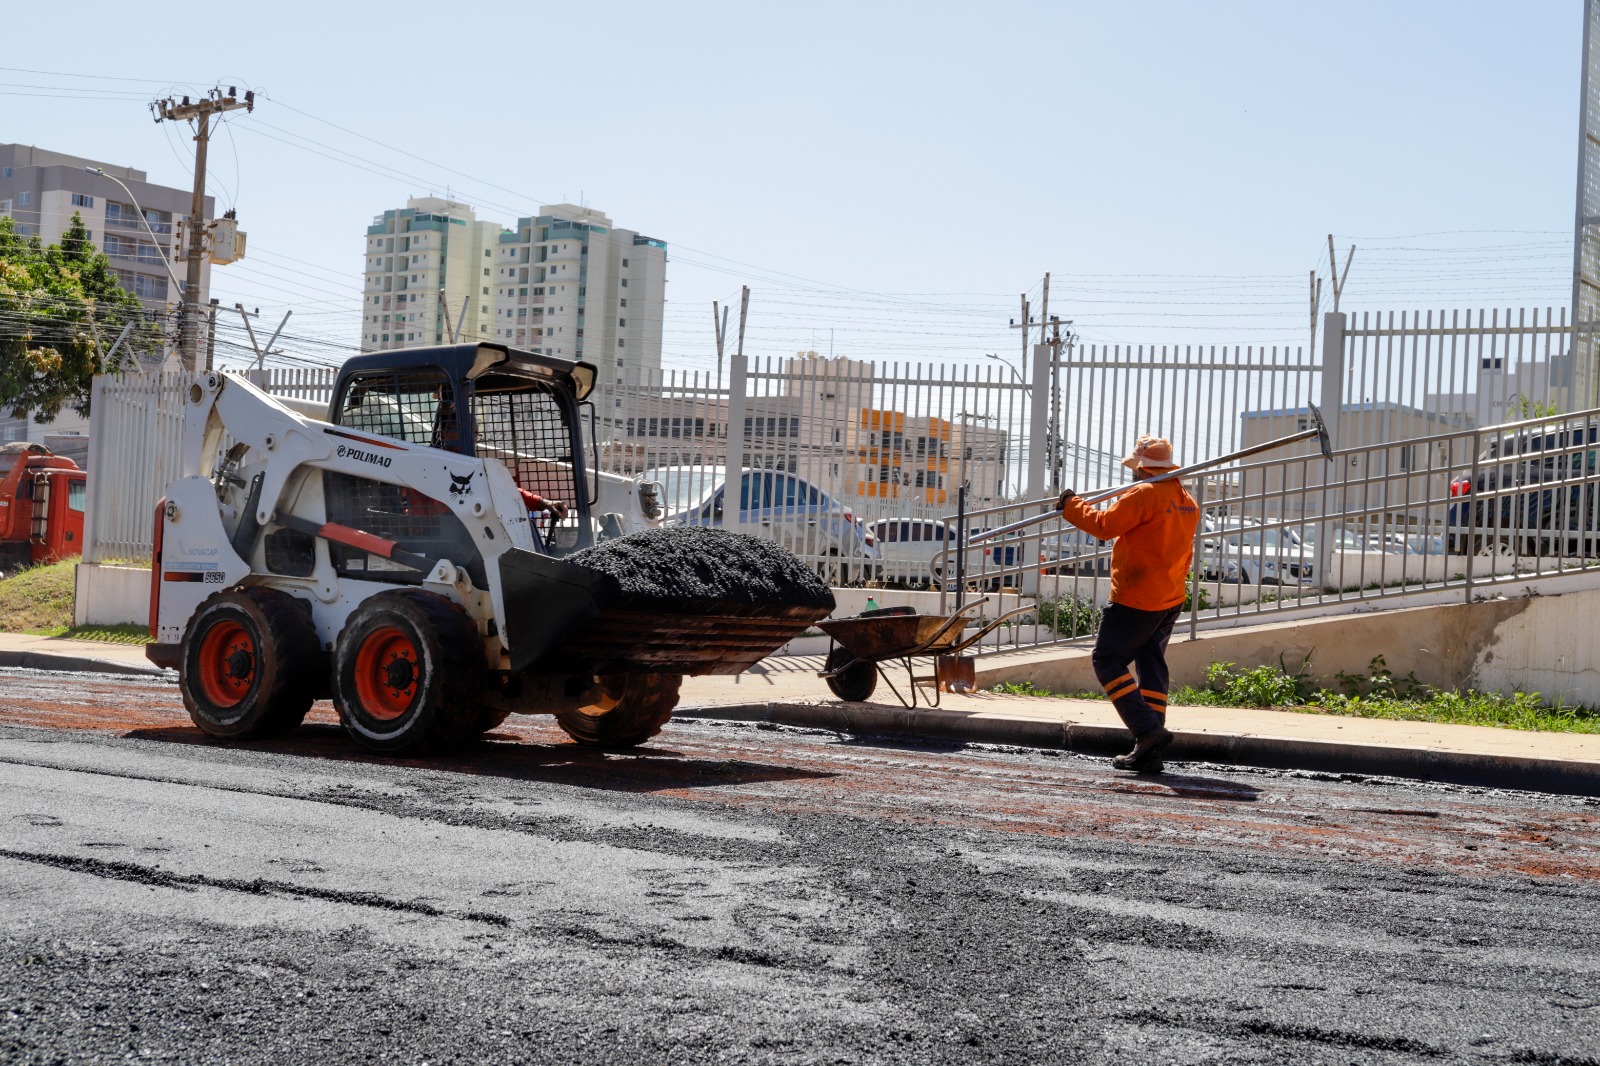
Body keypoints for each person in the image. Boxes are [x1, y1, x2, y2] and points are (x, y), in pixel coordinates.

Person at [1057, 435, 1199, 773]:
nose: (1132, 473)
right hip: (1170, 597)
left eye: (1135, 467)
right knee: (1151, 665)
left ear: (1142, 467)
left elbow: (1104, 526)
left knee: (1107, 660)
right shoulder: (1185, 499)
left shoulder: (1144, 493)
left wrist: (1070, 504)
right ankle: (1149, 749)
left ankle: (1147, 731)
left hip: (1137, 598)